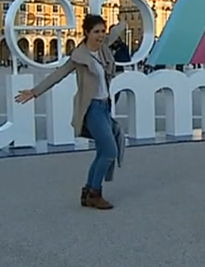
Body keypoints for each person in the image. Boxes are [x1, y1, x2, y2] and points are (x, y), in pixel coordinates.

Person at [15, 14, 126, 210]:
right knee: (109, 150)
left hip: (105, 106)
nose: (101, 36)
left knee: (102, 151)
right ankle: (94, 193)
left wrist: (124, 19)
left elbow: (117, 31)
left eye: (102, 31)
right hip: (91, 108)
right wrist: (34, 92)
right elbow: (57, 75)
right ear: (86, 33)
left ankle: (89, 192)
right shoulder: (79, 56)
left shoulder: (104, 48)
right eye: (96, 32)